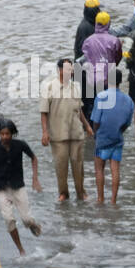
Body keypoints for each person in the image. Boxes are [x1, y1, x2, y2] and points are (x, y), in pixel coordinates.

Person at [0, 117, 42, 255]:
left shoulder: (20, 145)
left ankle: (33, 223)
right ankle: (21, 249)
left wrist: (35, 179)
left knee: (26, 219)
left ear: (12, 134)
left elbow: (34, 158)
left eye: (7, 134)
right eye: (2, 134)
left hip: (18, 187)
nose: (4, 137)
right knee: (9, 220)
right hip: (1, 188)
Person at [40, 58, 93, 201]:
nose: (70, 72)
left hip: (76, 132)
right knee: (61, 165)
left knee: (78, 165)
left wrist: (87, 126)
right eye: (68, 69)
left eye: (72, 69)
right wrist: (45, 132)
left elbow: (79, 109)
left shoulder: (76, 86)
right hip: (58, 135)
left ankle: (81, 192)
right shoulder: (49, 87)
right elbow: (44, 112)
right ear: (60, 70)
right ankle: (63, 192)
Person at [90, 69, 134, 204]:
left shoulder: (101, 96)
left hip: (103, 137)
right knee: (115, 170)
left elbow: (96, 120)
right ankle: (113, 201)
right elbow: (127, 123)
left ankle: (100, 199)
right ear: (121, 81)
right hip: (117, 138)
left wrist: (95, 133)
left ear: (107, 80)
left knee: (99, 169)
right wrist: (119, 131)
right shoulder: (128, 100)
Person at [80, 8, 122, 110]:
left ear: (96, 23)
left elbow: (85, 58)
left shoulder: (88, 41)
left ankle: (92, 125)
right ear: (109, 24)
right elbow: (118, 57)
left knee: (93, 107)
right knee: (108, 107)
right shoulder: (114, 40)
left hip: (92, 78)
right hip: (109, 78)